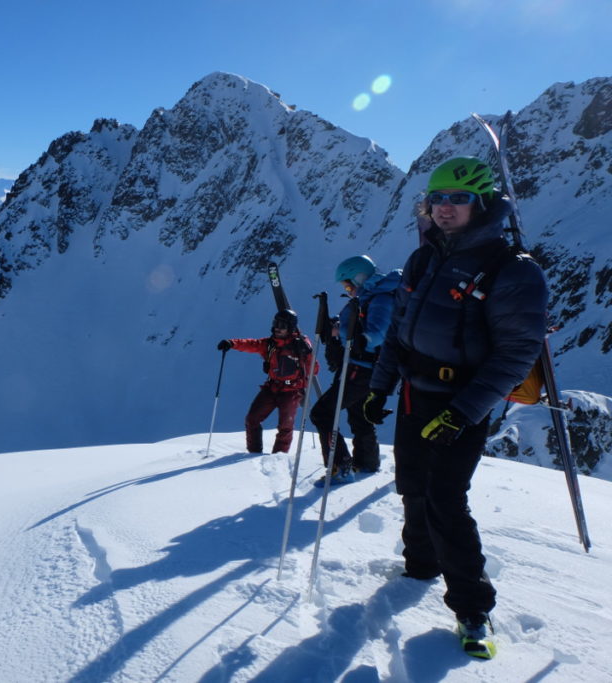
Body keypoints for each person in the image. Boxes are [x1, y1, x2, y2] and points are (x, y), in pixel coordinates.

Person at [363, 157, 548, 653]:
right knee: (411, 485)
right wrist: (378, 389)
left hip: (462, 402)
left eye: (458, 199)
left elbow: (516, 354)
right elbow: (398, 337)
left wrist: (463, 413)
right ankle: (419, 563)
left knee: (446, 499)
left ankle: (472, 609)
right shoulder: (424, 260)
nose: (444, 209)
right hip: (413, 393)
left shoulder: (511, 270)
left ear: (483, 202)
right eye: (436, 199)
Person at [309, 255, 399, 486]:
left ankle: (341, 466)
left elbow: (377, 334)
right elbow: (354, 322)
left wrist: (353, 337)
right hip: (362, 368)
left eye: (349, 285)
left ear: (361, 278)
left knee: (322, 414)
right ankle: (367, 462)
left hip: (362, 368)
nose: (348, 290)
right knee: (359, 414)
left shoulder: (381, 298)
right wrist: (337, 326)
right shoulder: (368, 296)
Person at [217, 309, 317, 454]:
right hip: (272, 388)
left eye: (282, 325)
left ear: (290, 327)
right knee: (252, 419)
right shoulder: (270, 344)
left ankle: (278, 458)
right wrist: (232, 343)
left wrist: (306, 354)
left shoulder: (300, 346)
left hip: (291, 392)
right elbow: (252, 344)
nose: (278, 328)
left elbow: (314, 369)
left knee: (285, 427)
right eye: (276, 324)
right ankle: (254, 454)